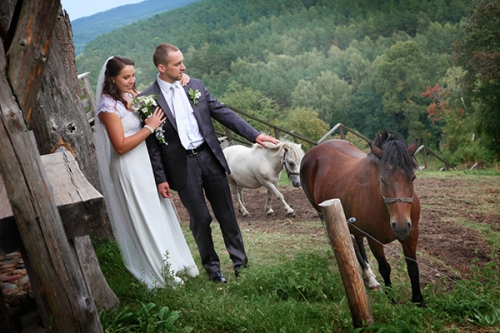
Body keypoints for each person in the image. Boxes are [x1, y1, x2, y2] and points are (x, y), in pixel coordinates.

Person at [141, 44, 278, 283]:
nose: (183, 67)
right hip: (182, 167)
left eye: (182, 62)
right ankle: (213, 270)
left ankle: (240, 265)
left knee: (227, 214)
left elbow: (223, 112)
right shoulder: (147, 100)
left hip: (210, 158)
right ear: (161, 67)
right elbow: (152, 146)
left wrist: (255, 135)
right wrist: (160, 177)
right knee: (201, 219)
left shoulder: (196, 86)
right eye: (177, 64)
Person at [94, 55, 199, 288]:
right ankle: (159, 270)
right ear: (112, 78)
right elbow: (120, 146)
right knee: (144, 215)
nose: (131, 81)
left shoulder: (130, 95)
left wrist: (183, 77)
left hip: (145, 164)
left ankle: (173, 262)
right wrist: (149, 128)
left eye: (133, 75)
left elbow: (158, 93)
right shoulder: (107, 108)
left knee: (157, 213)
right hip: (128, 167)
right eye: (125, 77)